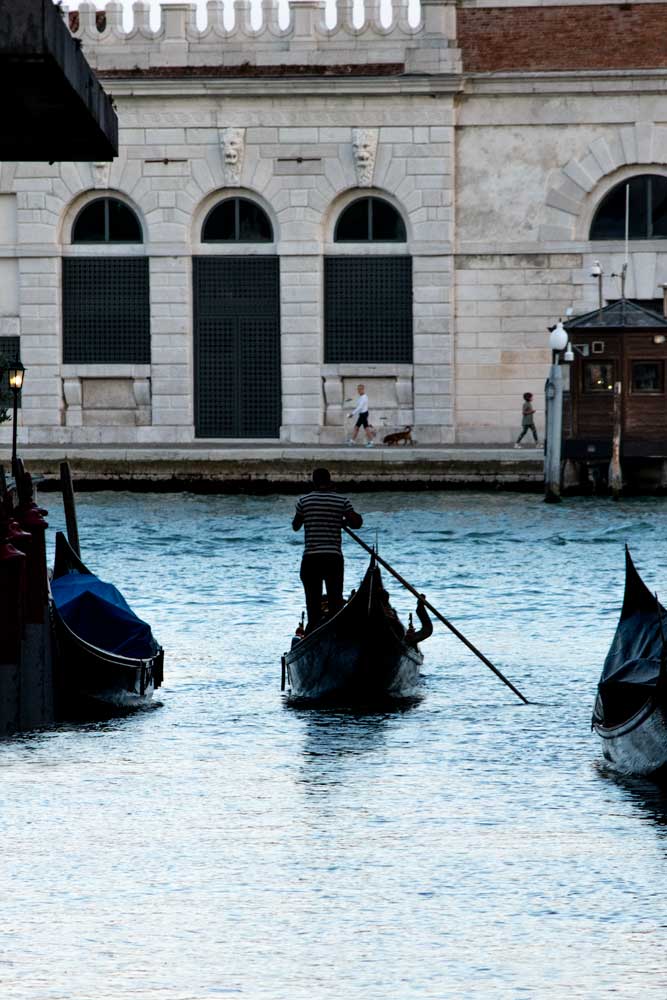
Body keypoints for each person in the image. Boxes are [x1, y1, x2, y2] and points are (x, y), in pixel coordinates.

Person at [292, 468, 363, 629]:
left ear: (314, 482)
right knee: (335, 600)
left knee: (313, 602)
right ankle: (336, 631)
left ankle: (313, 630)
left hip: (311, 558)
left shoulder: (304, 501)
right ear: (330, 481)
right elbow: (357, 523)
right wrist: (341, 519)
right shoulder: (341, 501)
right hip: (333, 557)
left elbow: (296, 526)